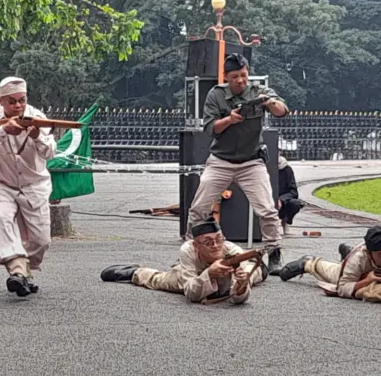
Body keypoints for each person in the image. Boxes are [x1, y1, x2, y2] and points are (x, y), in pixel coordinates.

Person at [186, 53, 288, 275]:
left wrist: (269, 102)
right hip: (221, 161)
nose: (240, 81)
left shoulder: (258, 91)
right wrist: (230, 119)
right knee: (198, 209)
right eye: (235, 77)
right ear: (226, 77)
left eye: (244, 75)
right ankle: (189, 253)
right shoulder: (216, 94)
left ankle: (274, 253)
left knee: (267, 210)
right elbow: (210, 128)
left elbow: (282, 111)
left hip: (251, 162)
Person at [0, 76, 56, 297]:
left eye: (22, 100)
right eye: (12, 102)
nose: (18, 106)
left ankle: (25, 271)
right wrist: (2, 131)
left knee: (41, 240)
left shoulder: (37, 116)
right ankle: (17, 271)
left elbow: (50, 153)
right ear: (1, 101)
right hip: (1, 183)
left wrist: (38, 135)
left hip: (34, 185)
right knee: (3, 220)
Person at [100, 217, 266, 305]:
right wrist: (209, 273)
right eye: (208, 242)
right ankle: (134, 273)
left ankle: (260, 269)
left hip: (225, 282)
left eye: (219, 240)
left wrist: (241, 286)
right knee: (163, 280)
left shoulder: (234, 252)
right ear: (196, 245)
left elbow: (237, 299)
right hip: (193, 276)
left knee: (251, 274)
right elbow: (191, 294)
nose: (216, 246)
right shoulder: (188, 250)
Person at [279, 227, 381, 302]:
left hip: (359, 269)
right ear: (369, 253)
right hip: (355, 272)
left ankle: (347, 253)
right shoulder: (358, 259)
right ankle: (308, 262)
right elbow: (342, 288)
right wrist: (367, 280)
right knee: (334, 272)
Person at [277, 154, 303, 235]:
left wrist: (281, 200)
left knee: (295, 204)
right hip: (267, 199)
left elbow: (293, 192)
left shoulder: (287, 169)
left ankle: (285, 221)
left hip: (283, 202)